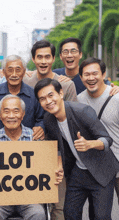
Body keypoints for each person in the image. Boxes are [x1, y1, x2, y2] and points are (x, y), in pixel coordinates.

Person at [0, 94, 64, 219]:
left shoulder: (34, 138)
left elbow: (46, 167)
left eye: (16, 111)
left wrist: (54, 173)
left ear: (23, 114)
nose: (11, 116)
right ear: (0, 115)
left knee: (38, 214)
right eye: (6, 112)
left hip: (29, 198)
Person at [34, 78, 119, 220]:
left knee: (101, 216)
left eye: (51, 95)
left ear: (61, 94)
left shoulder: (82, 111)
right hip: (78, 172)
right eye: (42, 99)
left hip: (101, 170)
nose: (48, 101)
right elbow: (58, 147)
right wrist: (59, 165)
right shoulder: (48, 119)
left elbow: (106, 140)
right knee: (70, 213)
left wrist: (90, 144)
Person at [24, 39, 78, 220]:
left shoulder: (66, 84)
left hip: (58, 153)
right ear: (33, 59)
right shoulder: (24, 80)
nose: (43, 61)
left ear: (54, 58)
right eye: (39, 57)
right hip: (29, 153)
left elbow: (72, 119)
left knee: (58, 204)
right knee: (33, 203)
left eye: (47, 56)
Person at [78, 57, 119, 205]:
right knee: (99, 213)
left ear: (103, 74)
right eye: (86, 74)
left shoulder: (116, 98)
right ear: (81, 77)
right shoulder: (78, 101)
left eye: (95, 73)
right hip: (96, 170)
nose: (91, 78)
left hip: (118, 164)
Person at [0, 55, 45, 140]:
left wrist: (40, 126)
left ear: (24, 72)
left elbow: (42, 117)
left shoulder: (34, 94)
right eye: (10, 70)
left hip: (28, 142)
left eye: (18, 70)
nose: (14, 74)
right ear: (4, 72)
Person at [53, 37, 117, 95]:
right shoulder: (55, 75)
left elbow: (107, 85)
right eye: (65, 51)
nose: (69, 55)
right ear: (61, 56)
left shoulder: (89, 75)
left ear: (80, 54)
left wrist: (116, 89)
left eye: (73, 51)